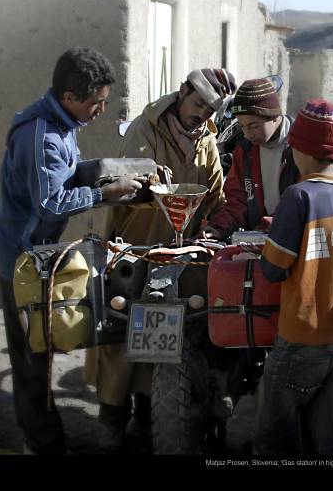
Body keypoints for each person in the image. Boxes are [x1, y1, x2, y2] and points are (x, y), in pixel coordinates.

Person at [0, 47, 142, 455]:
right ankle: (42, 444)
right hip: (22, 255)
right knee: (31, 354)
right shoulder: (41, 137)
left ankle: (36, 431)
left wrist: (113, 169)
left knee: (41, 342)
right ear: (71, 96)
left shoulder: (61, 123)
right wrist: (105, 193)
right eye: (97, 103)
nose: (101, 110)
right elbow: (50, 203)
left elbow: (67, 172)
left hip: (37, 248)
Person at [83, 68, 237, 452]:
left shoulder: (207, 141)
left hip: (181, 256)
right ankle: (112, 422)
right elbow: (130, 182)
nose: (200, 114)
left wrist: (217, 226)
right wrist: (152, 185)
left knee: (172, 338)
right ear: (182, 92)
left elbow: (216, 194)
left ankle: (151, 417)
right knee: (121, 336)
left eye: (209, 110)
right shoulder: (146, 130)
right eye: (197, 103)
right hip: (134, 246)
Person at [255, 99, 333, 454]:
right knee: (330, 432)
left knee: (274, 434)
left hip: (303, 331)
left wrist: (266, 245)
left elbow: (273, 268)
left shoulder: (298, 196)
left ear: (299, 147)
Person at [201, 76, 299, 240]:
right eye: (242, 126)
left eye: (254, 126)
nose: (247, 134)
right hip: (258, 242)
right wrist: (218, 228)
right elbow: (236, 202)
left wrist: (265, 229)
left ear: (274, 115)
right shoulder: (245, 152)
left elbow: (303, 206)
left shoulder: (300, 148)